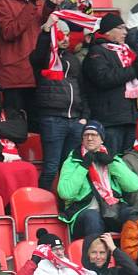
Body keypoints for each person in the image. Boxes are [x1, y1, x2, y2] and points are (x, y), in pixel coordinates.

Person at [31, 14, 89, 190]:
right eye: (61, 34)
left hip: (75, 120)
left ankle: (64, 207)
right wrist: (46, 32)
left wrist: (85, 116)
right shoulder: (44, 58)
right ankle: (42, 205)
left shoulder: (73, 59)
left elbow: (82, 89)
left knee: (68, 169)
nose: (65, 38)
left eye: (68, 34)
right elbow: (37, 55)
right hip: (53, 119)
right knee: (50, 168)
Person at [83, 13, 138, 155]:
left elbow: (137, 82)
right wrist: (136, 69)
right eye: (121, 28)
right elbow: (104, 79)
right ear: (108, 31)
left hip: (131, 117)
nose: (125, 32)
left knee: (127, 164)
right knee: (112, 161)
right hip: (110, 119)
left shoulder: (127, 52)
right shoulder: (97, 52)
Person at [58, 121, 138, 239]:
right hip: (83, 212)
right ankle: (94, 256)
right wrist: (83, 166)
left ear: (102, 139)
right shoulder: (73, 161)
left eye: (94, 135)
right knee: (93, 217)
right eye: (86, 135)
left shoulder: (111, 158)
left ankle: (131, 255)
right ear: (82, 139)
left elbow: (133, 185)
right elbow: (66, 193)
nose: (90, 138)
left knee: (134, 214)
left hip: (112, 209)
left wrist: (111, 163)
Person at [0, 0, 48, 113]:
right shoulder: (4, 2)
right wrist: (30, 6)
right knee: (16, 124)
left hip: (36, 73)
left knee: (35, 127)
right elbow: (9, 32)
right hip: (13, 75)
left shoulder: (38, 0)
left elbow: (43, 22)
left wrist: (51, 6)